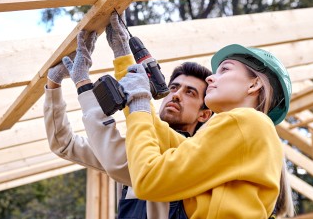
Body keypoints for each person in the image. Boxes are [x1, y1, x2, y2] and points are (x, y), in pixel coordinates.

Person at [43, 15, 212, 218]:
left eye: (189, 92)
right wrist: (54, 84)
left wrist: (83, 82)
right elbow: (64, 144)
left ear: (204, 114)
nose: (176, 94)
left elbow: (117, 161)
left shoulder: (194, 155)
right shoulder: (139, 144)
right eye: (174, 87)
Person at [117, 44, 295, 218]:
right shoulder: (242, 133)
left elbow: (149, 179)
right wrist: (123, 54)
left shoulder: (247, 121)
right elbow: (159, 133)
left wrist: (138, 100)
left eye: (225, 69)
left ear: (254, 85)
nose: (210, 78)